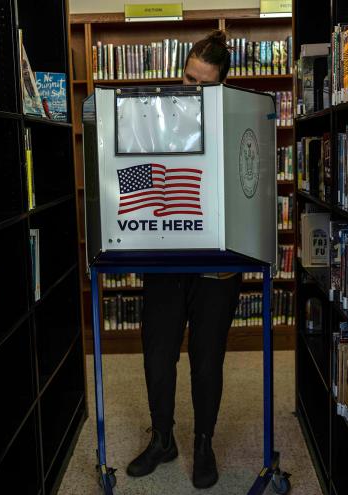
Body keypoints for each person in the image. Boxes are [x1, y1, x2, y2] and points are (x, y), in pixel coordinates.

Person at [125, 30, 240, 490]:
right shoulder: (153, 118)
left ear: (221, 86)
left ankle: (204, 443)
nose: (193, 89)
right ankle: (163, 439)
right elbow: (133, 175)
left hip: (217, 258)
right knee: (157, 354)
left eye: (204, 84)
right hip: (166, 253)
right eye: (188, 78)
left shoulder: (236, 119)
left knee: (207, 360)